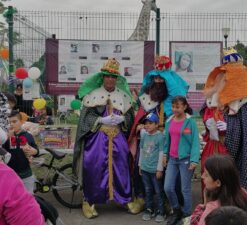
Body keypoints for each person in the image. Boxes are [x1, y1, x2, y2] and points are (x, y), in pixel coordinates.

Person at [203, 47, 247, 213]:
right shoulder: (222, 97)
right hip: (221, 150)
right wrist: (210, 127)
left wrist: (228, 128)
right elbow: (209, 113)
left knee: (242, 186)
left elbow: (245, 135)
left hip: (241, 157)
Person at [73, 58, 135, 219]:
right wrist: (100, 120)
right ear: (102, 77)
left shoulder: (122, 96)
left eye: (113, 77)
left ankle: (125, 199)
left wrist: (123, 120)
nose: (110, 79)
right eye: (107, 76)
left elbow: (130, 117)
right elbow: (85, 119)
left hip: (118, 138)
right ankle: (89, 201)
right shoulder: (93, 95)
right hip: (97, 138)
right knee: (94, 168)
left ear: (117, 79)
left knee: (121, 168)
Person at [127, 55, 189, 214]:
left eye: (163, 80)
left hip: (167, 146)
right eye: (156, 79)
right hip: (147, 145)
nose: (159, 82)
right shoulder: (145, 100)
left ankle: (170, 201)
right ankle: (141, 199)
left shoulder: (176, 105)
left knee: (169, 172)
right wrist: (141, 127)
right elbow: (137, 122)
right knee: (139, 171)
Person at [185, 155, 247, 225]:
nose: (202, 177)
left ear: (218, 183)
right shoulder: (243, 193)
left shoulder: (212, 208)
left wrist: (205, 205)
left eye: (206, 175)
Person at [163, 96, 200, 225]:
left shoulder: (190, 122)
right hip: (172, 160)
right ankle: (176, 210)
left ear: (184, 107)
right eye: (173, 107)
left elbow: (195, 142)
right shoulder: (169, 121)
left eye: (178, 107)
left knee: (185, 189)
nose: (175, 109)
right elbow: (166, 140)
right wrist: (164, 155)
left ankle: (187, 214)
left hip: (186, 160)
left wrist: (194, 160)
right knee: (168, 187)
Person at [2, 110, 39, 194]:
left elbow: (35, 150)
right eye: (9, 122)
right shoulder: (4, 137)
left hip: (26, 174)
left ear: (21, 122)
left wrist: (35, 151)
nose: (11, 124)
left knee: (28, 197)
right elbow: (2, 152)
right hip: (9, 175)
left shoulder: (28, 135)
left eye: (14, 121)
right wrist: (7, 138)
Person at [138, 113, 165, 222]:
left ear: (156, 124)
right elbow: (141, 150)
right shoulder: (144, 135)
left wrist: (159, 169)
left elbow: (161, 153)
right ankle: (149, 209)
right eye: (146, 123)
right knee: (148, 190)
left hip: (155, 170)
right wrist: (140, 165)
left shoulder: (160, 137)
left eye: (150, 123)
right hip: (145, 169)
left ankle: (161, 211)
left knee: (158, 191)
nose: (147, 125)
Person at [0, 160, 44, 225]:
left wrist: (36, 151)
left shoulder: (4, 176)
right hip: (16, 173)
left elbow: (29, 218)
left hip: (25, 174)